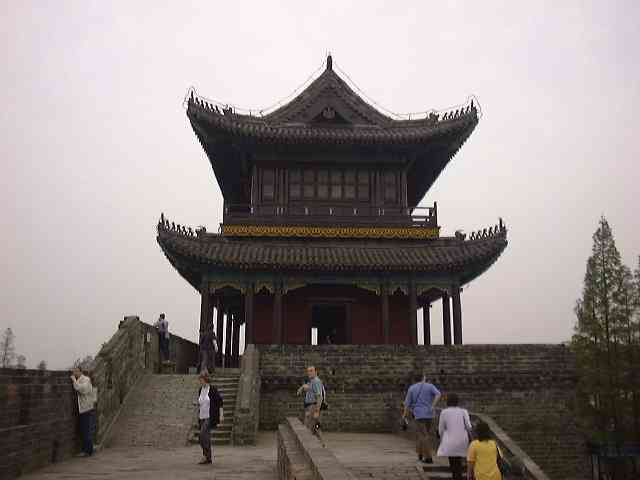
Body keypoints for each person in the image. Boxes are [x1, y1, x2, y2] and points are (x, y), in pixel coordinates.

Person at [402, 373, 441, 463]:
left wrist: (404, 415)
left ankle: (428, 457)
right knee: (425, 435)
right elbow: (438, 394)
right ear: (423, 378)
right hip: (430, 414)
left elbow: (407, 404)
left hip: (418, 414)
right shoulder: (430, 386)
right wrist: (433, 406)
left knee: (422, 435)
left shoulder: (411, 388)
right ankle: (420, 453)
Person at [437, 393, 472, 480]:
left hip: (449, 441)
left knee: (453, 462)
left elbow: (440, 429)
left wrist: (442, 439)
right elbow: (469, 427)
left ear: (447, 402)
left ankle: (456, 477)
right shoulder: (464, 411)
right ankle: (458, 476)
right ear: (457, 401)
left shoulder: (444, 412)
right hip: (462, 441)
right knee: (459, 461)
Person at [196, 372, 223, 465]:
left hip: (209, 416)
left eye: (201, 380)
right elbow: (200, 401)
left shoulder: (212, 389)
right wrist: (197, 404)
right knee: (205, 437)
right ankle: (208, 457)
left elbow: (220, 401)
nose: (200, 381)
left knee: (202, 435)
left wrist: (221, 414)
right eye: (200, 380)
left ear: (205, 379)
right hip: (201, 417)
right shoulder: (200, 390)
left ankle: (206, 456)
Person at [70, 367, 97, 457]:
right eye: (74, 372)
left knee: (86, 430)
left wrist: (74, 380)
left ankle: (88, 451)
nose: (75, 373)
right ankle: (88, 449)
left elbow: (81, 389)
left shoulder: (86, 379)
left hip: (86, 408)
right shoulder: (82, 379)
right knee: (84, 430)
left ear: (81, 372)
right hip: (83, 408)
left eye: (76, 371)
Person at [296, 366, 325, 446]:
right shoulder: (312, 381)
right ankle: (321, 444)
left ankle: (310, 446)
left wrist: (317, 411)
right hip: (311, 407)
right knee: (316, 427)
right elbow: (308, 386)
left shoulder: (316, 381)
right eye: (308, 371)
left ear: (316, 372)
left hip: (313, 407)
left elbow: (319, 397)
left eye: (311, 371)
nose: (309, 372)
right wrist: (302, 388)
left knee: (308, 427)